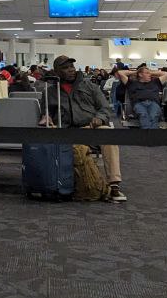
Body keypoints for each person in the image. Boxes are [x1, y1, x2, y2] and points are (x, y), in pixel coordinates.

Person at [50, 55, 125, 203]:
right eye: (65, 68)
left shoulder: (90, 86)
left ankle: (114, 184)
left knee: (108, 134)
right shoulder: (51, 91)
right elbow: (46, 113)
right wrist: (46, 118)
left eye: (72, 66)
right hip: (66, 132)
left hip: (90, 128)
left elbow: (104, 108)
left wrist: (100, 118)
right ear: (57, 72)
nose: (71, 70)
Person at [115, 64, 167, 129]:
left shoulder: (156, 82)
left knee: (154, 115)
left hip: (153, 103)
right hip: (139, 103)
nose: (150, 75)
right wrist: (136, 72)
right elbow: (120, 72)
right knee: (143, 115)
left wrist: (151, 72)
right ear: (140, 74)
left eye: (149, 73)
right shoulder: (132, 83)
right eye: (147, 73)